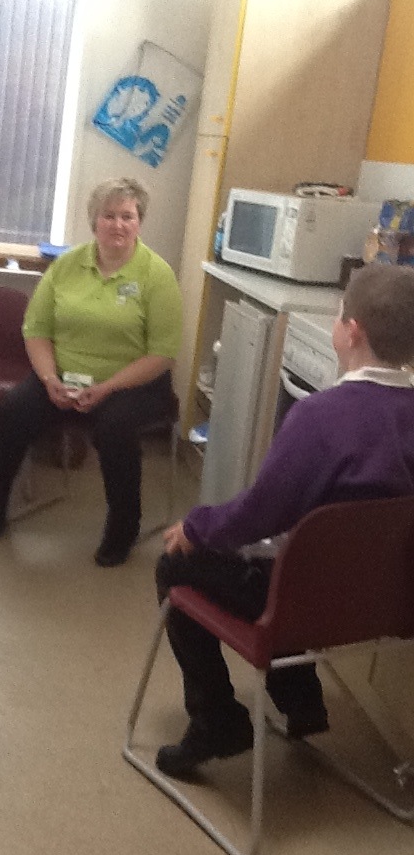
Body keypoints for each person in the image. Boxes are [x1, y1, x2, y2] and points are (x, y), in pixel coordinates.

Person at [154, 262, 414, 778]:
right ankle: (301, 700)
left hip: (304, 601)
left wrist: (196, 526)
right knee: (310, 564)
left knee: (176, 565)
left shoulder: (321, 417)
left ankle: (217, 720)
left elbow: (259, 514)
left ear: (351, 332)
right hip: (389, 604)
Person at [0, 177, 183, 567]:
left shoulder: (157, 275)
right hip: (64, 377)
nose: (118, 224)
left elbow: (163, 354)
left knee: (114, 429)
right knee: (14, 410)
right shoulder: (67, 266)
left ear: (139, 222)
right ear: (94, 221)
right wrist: (49, 379)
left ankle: (122, 529)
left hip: (135, 383)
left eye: (127, 216)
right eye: (109, 215)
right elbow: (36, 329)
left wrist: (107, 388)